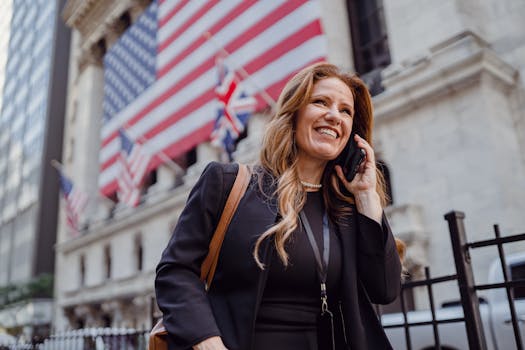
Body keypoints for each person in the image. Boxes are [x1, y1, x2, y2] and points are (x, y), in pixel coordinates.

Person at [155, 62, 403, 350]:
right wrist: (207, 342)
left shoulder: (348, 208)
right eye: (320, 102)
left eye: (345, 110)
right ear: (293, 114)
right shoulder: (226, 183)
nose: (334, 116)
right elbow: (175, 270)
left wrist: (366, 196)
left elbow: (385, 290)